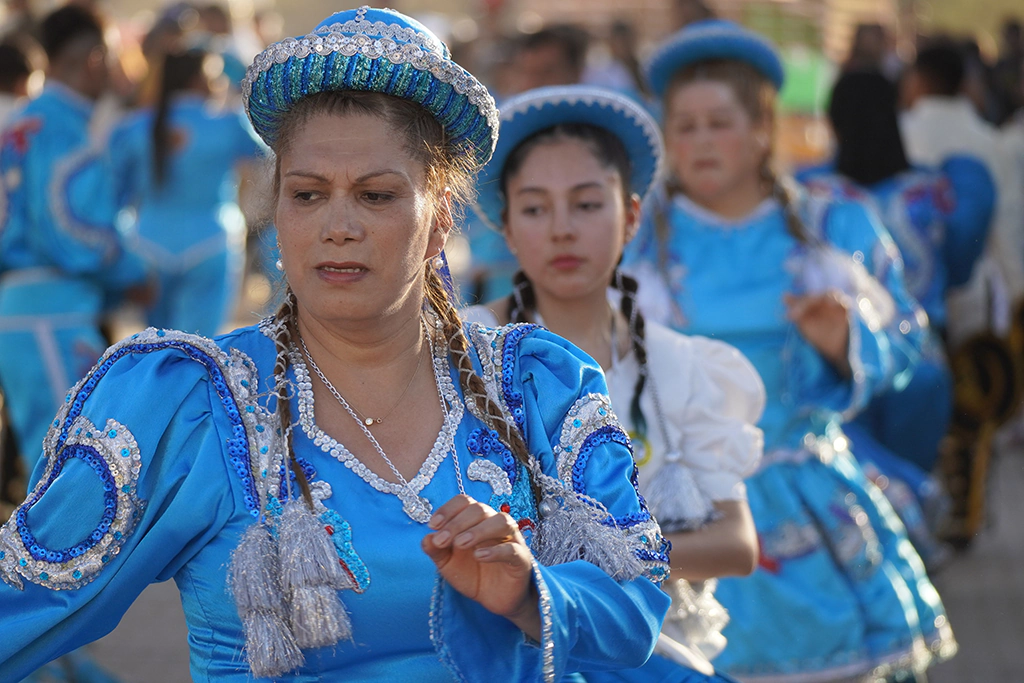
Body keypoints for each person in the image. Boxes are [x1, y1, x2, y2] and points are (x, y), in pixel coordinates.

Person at [0, 8, 670, 681]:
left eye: (376, 195)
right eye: (308, 194)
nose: (338, 226)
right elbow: (20, 605)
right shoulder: (196, 407)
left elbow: (637, 605)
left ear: (440, 219)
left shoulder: (535, 387)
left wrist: (530, 591)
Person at [626, 19, 956, 682]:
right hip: (684, 507)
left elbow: (906, 339)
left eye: (718, 122)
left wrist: (843, 342)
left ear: (760, 129)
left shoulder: (831, 226)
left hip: (806, 496)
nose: (699, 141)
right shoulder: (634, 241)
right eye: (683, 126)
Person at [465, 83, 765, 682]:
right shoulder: (463, 352)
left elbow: (737, 543)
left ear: (629, 216)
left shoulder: (682, 366)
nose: (561, 230)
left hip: (652, 649)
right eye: (533, 208)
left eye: (586, 204)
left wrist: (575, 563)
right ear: (506, 228)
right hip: (508, 649)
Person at [798, 70, 996, 563]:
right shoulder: (933, 193)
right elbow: (961, 266)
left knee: (848, 500)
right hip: (920, 368)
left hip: (837, 362)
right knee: (905, 506)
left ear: (833, 121)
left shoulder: (808, 195)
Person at [0, 4, 151, 474]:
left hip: (34, 308)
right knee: (66, 470)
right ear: (94, 58)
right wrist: (130, 271)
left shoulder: (28, 121)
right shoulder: (62, 129)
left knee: (59, 465)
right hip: (51, 311)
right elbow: (68, 226)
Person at [108, 46, 264, 337]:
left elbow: (115, 196)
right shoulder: (228, 123)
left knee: (158, 347)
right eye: (217, 76)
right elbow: (270, 160)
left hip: (147, 245)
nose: (222, 84)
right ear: (198, 79)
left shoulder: (132, 128)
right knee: (201, 347)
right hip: (212, 241)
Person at [900, 42, 1024, 349]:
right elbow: (1008, 231)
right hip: (971, 298)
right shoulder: (989, 142)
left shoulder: (900, 135)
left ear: (918, 80)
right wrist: (1017, 295)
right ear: (964, 84)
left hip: (905, 296)